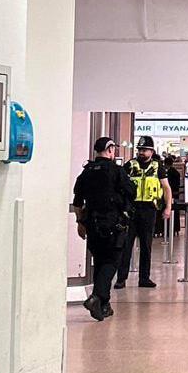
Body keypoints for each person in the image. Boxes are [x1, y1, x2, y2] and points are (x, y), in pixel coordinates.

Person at [72, 137, 136, 321]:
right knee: (111, 261)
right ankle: (96, 297)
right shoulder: (116, 171)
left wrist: (80, 222)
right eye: (113, 148)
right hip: (112, 224)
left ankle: (103, 305)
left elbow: (78, 201)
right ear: (109, 150)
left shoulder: (87, 172)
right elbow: (131, 191)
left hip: (92, 223)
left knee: (100, 261)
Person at [116, 136, 172, 289]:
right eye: (140, 149)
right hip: (131, 210)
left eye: (145, 150)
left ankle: (144, 278)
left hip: (149, 210)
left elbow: (166, 188)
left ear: (152, 151)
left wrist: (168, 207)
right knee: (126, 245)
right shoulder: (130, 165)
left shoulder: (157, 166)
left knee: (146, 246)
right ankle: (121, 278)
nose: (141, 152)